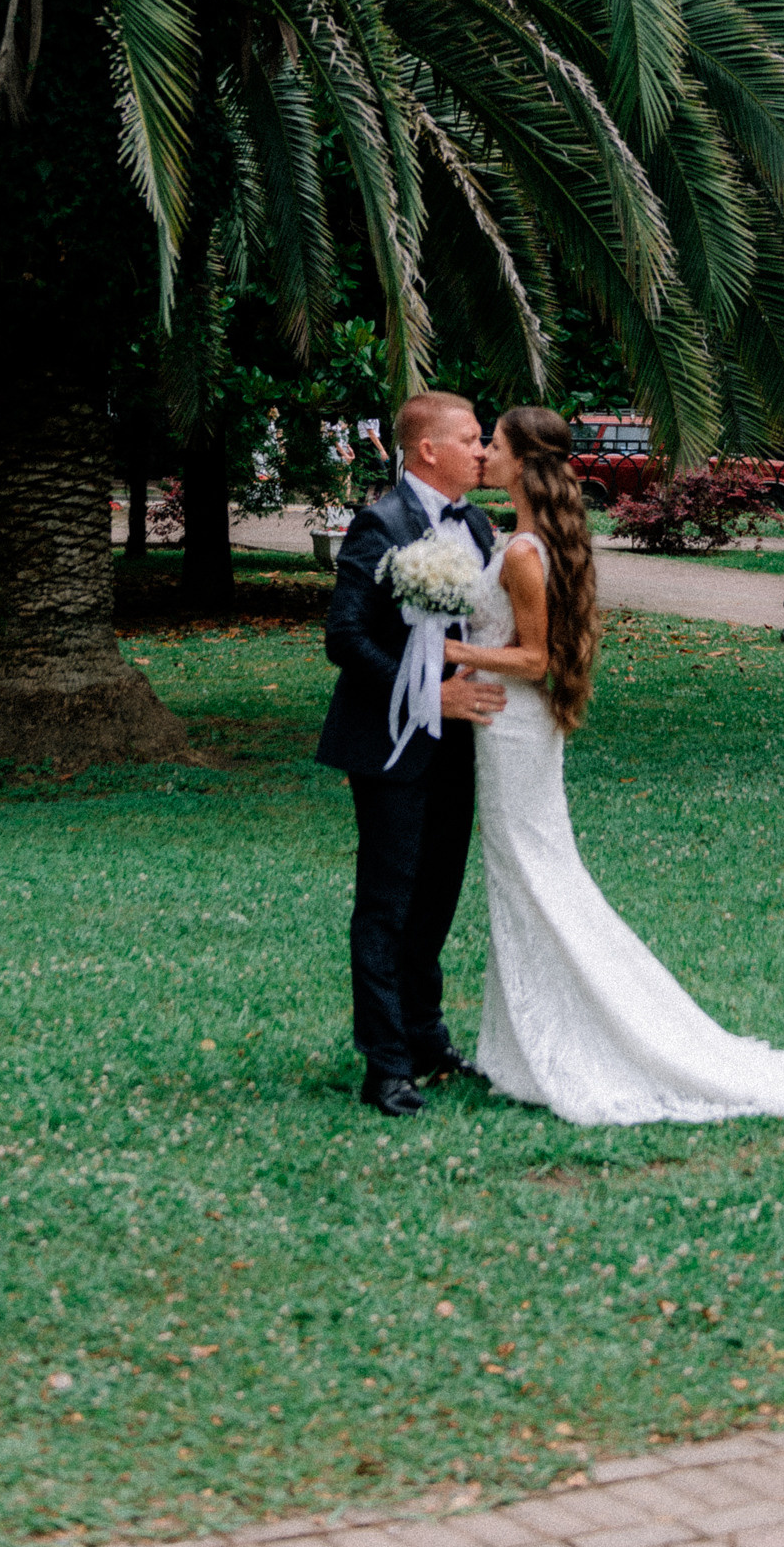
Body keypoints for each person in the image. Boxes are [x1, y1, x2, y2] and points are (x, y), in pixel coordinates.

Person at [444, 405, 784, 1127]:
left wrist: (453, 653)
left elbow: (536, 659)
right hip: (505, 730)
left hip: (511, 725)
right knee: (525, 874)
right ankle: (521, 1043)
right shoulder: (524, 539)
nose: (484, 454)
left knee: (535, 874)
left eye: (493, 444)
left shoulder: (525, 551)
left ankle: (588, 1034)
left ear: (523, 462)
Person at [315, 390, 506, 1117]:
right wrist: (428, 696)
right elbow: (346, 637)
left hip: (460, 745)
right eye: (470, 438)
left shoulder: (478, 525)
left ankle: (427, 1040)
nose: (482, 449)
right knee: (388, 905)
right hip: (392, 743)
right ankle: (386, 1064)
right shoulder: (381, 523)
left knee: (436, 902)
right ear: (428, 450)